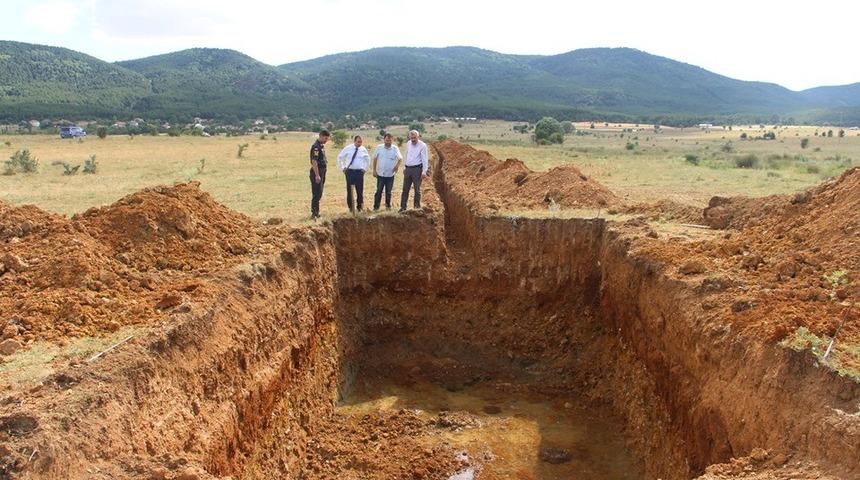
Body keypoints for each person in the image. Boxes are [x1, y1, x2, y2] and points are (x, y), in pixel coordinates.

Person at [337, 135, 370, 213]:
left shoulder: (363, 149)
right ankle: (351, 208)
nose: (359, 143)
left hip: (359, 172)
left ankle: (360, 207)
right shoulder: (348, 148)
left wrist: (364, 169)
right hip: (350, 172)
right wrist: (343, 168)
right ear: (354, 141)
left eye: (361, 142)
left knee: (360, 191)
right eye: (358, 142)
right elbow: (340, 157)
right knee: (350, 191)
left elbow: (367, 160)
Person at [371, 133, 403, 210]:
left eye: (389, 140)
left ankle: (388, 207)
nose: (388, 142)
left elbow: (400, 158)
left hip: (390, 175)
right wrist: (374, 170)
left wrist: (397, 166)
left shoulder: (395, 148)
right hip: (380, 174)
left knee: (388, 192)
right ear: (384, 140)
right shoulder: (379, 147)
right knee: (379, 191)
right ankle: (376, 207)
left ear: (392, 140)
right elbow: (375, 159)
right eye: (386, 140)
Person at [400, 129, 429, 211]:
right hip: (408, 169)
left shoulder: (422, 145)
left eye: (414, 138)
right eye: (411, 138)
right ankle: (403, 207)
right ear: (409, 137)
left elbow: (424, 159)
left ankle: (416, 207)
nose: (413, 139)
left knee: (417, 189)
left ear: (418, 137)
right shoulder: (408, 143)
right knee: (405, 189)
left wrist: (424, 171)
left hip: (417, 169)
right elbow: (406, 155)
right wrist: (404, 167)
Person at [309, 129, 330, 219]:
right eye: (325, 138)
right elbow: (314, 161)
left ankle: (316, 212)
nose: (326, 140)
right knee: (317, 193)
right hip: (317, 171)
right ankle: (314, 213)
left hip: (322, 171)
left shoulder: (321, 146)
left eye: (327, 139)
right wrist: (317, 175)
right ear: (321, 136)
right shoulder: (316, 147)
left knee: (319, 192)